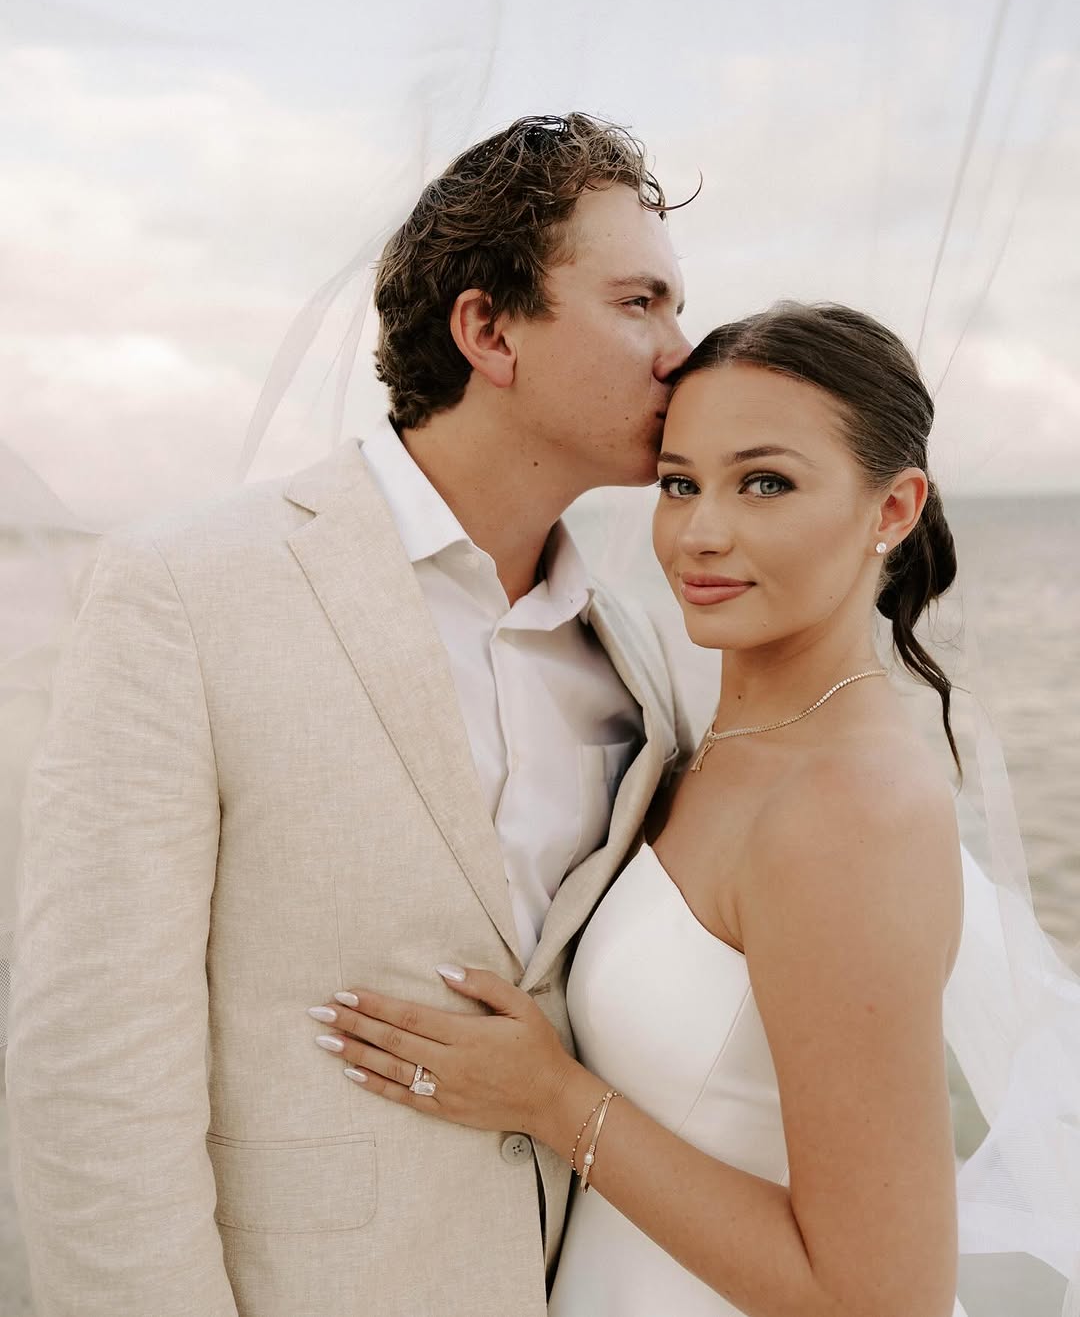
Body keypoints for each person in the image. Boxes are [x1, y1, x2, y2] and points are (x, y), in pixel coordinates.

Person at [5, 113, 693, 1317]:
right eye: (639, 303)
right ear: (489, 331)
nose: (681, 352)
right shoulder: (186, 588)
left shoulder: (635, 648)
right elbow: (92, 1065)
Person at [304, 302, 971, 1317]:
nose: (701, 533)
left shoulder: (852, 810)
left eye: (765, 482)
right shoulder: (704, 742)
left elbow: (883, 1297)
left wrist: (552, 1098)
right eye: (679, 483)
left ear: (893, 508)